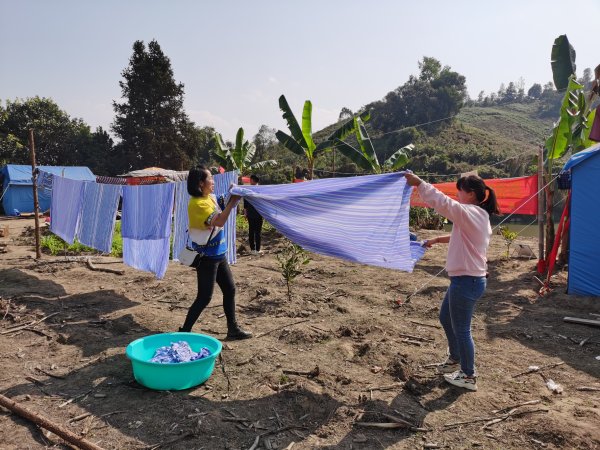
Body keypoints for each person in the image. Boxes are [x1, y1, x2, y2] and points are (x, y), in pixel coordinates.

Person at [404, 172, 500, 391]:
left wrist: (419, 183)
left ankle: (468, 375)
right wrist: (437, 239)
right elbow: (463, 235)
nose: (457, 195)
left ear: (471, 194)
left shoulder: (471, 212)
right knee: (446, 317)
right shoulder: (476, 215)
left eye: (460, 191)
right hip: (466, 280)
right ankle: (455, 358)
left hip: (467, 282)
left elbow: (443, 203)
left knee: (462, 329)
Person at [179, 166, 252, 339]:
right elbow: (219, 221)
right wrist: (233, 202)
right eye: (210, 178)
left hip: (219, 255)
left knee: (230, 289)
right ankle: (184, 331)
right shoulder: (197, 204)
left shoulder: (209, 197)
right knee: (204, 297)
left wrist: (231, 192)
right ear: (200, 183)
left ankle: (233, 329)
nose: (213, 181)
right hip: (207, 259)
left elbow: (222, 201)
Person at [243, 174, 264, 255]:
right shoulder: (261, 190)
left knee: (251, 231)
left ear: (252, 180)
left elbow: (245, 203)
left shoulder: (248, 190)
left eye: (250, 180)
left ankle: (253, 249)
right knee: (258, 232)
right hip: (258, 213)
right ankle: (257, 250)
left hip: (251, 214)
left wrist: (245, 213)